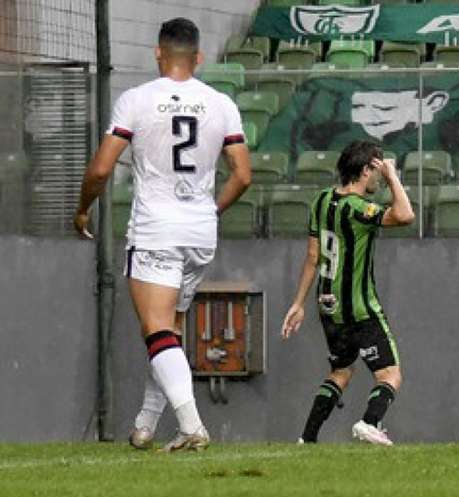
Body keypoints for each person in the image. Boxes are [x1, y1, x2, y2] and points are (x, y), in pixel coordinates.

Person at [73, 18, 251, 451]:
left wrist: (81, 209)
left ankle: (192, 426)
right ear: (198, 57)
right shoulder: (220, 102)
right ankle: (147, 423)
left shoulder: (137, 100)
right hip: (200, 232)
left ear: (157, 52)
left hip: (156, 229)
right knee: (169, 328)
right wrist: (211, 210)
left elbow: (100, 168)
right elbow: (243, 176)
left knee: (156, 329)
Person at [281, 140, 414, 445]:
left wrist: (299, 303)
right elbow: (405, 216)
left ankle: (307, 438)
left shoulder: (322, 200)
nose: (379, 177)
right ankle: (369, 421)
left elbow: (313, 256)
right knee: (390, 375)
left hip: (328, 306)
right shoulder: (358, 208)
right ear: (367, 169)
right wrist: (394, 177)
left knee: (341, 370)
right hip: (360, 307)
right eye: (377, 169)